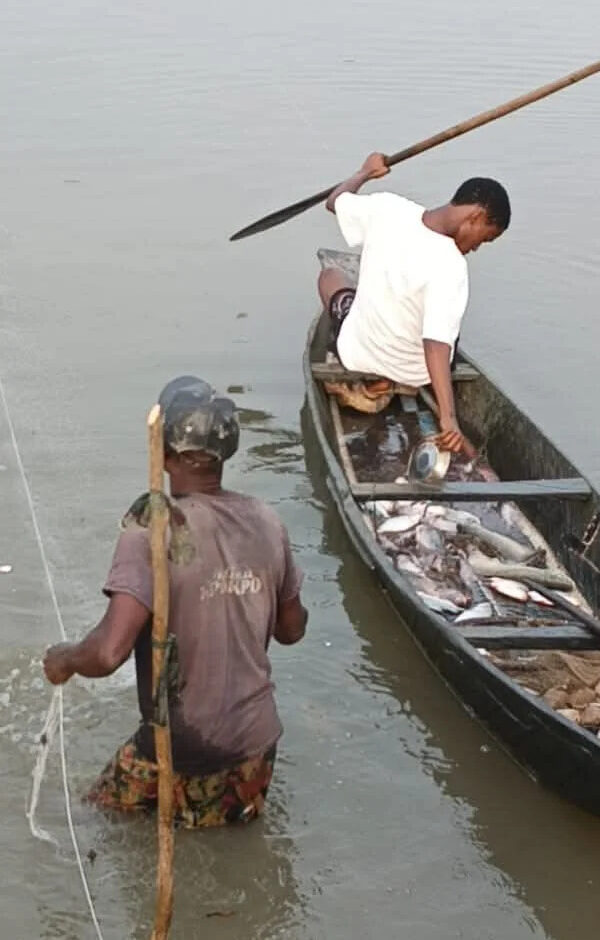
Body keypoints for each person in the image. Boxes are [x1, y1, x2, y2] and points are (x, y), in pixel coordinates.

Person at [43, 375, 307, 828]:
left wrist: (64, 659)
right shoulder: (267, 521)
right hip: (258, 749)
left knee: (87, 820)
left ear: (162, 453)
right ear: (227, 451)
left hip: (179, 749)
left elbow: (108, 653)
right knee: (225, 840)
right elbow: (292, 630)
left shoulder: (153, 526)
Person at [318, 152, 511, 454]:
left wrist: (365, 172)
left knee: (329, 277)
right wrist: (448, 419)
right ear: (475, 217)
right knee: (448, 326)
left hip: (357, 354)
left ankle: (378, 381)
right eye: (483, 239)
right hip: (416, 372)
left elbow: (335, 201)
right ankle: (390, 382)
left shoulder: (388, 208)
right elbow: (436, 344)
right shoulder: (451, 267)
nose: (475, 248)